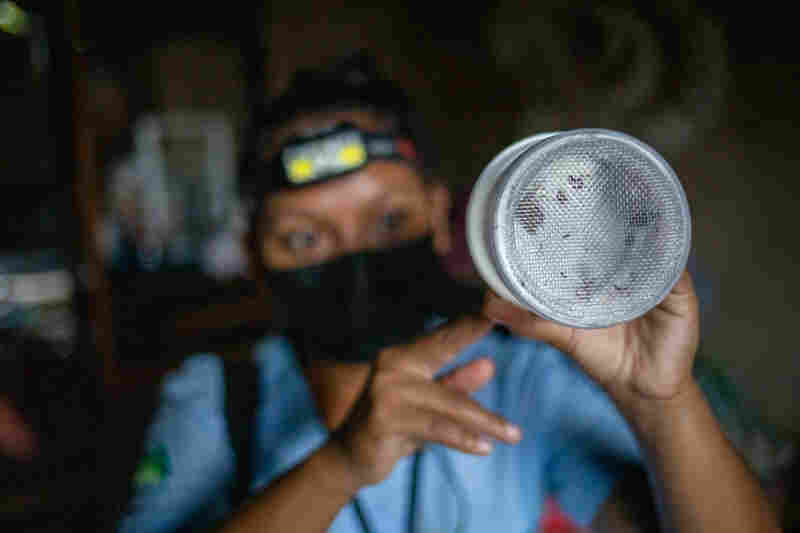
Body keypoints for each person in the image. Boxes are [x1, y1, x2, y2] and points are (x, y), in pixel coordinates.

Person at [117, 53, 782, 533]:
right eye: (303, 238)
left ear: (440, 215)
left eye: (388, 221)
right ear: (254, 253)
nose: (353, 258)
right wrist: (340, 465)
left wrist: (660, 404)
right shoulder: (215, 398)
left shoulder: (519, 376)